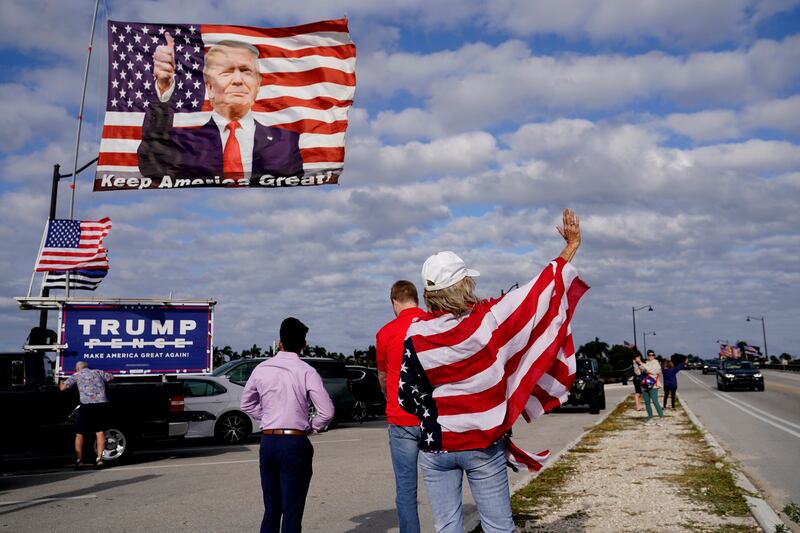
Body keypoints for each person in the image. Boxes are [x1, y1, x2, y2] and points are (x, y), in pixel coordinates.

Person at [399, 209, 588, 533]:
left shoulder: (416, 336)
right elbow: (536, 296)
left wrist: (438, 409)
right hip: (482, 442)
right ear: (464, 284)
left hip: (437, 444)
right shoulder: (489, 320)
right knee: (498, 527)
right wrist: (569, 248)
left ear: (430, 294)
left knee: (447, 528)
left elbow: (406, 396)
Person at [138, 34, 303, 181]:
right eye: (227, 72)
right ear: (209, 88)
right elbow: (153, 166)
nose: (238, 80)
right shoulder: (187, 144)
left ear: (258, 85)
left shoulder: (285, 143)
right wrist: (163, 89)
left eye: (246, 71)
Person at [240, 317, 334, 533]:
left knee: (271, 508)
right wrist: (312, 426)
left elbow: (246, 403)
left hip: (269, 441)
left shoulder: (261, 368)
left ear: (279, 342)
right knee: (292, 511)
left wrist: (265, 418)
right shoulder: (307, 371)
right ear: (304, 344)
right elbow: (327, 411)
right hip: (294, 442)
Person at [376, 280, 427, 533]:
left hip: (400, 418)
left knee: (406, 489)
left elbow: (383, 377)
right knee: (444, 481)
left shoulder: (385, 332)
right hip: (433, 417)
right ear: (416, 299)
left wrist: (391, 395)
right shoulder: (433, 323)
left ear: (394, 302)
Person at [59, 361, 113, 468]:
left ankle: (79, 460)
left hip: (86, 406)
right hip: (100, 405)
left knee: (80, 433)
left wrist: (61, 381)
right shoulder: (99, 372)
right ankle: (99, 459)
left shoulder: (76, 375)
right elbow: (111, 377)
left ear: (78, 368)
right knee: (99, 432)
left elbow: (63, 388)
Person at [634, 350, 664, 424]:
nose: (651, 356)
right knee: (647, 402)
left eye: (652, 355)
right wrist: (635, 364)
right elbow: (638, 372)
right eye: (649, 355)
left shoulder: (656, 363)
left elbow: (652, 370)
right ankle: (650, 417)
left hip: (653, 385)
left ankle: (661, 418)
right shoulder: (646, 363)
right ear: (647, 355)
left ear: (654, 355)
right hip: (644, 385)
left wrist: (641, 362)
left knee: (655, 401)